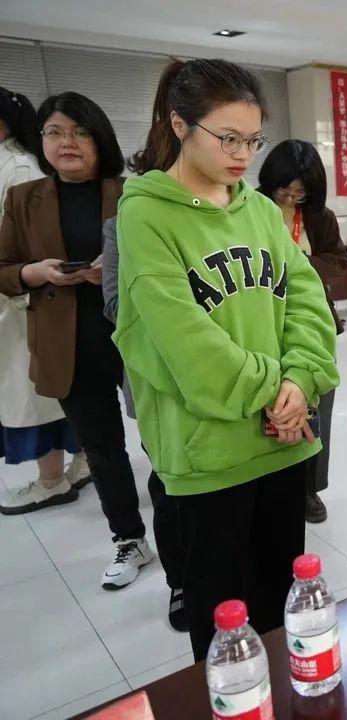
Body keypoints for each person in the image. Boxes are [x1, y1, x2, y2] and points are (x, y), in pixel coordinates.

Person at [117, 58, 339, 660]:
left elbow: (307, 303)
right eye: (228, 138)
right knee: (224, 627)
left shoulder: (261, 211)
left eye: (253, 140)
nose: (243, 154)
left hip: (281, 440)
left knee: (282, 607)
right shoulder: (145, 213)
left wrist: (301, 380)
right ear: (180, 125)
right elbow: (182, 337)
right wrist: (276, 394)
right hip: (210, 453)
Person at [0, 92, 153, 589]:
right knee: (103, 450)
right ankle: (129, 539)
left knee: (161, 443)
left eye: (80, 132)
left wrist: (119, 268)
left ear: (100, 138)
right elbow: (3, 268)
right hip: (69, 347)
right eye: (54, 132)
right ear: (40, 139)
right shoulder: (24, 199)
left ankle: (181, 531)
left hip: (137, 341)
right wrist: (36, 272)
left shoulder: (133, 193)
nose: (67, 142)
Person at [0, 86, 91, 514]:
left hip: (28, 303)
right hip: (22, 296)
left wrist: (24, 287)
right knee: (51, 393)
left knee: (37, 397)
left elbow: (35, 245)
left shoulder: (19, 168)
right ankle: (81, 464)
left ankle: (52, 479)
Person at [100, 215, 187, 632]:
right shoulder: (123, 225)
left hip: (232, 376)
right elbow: (114, 304)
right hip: (159, 382)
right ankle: (181, 581)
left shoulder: (234, 214)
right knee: (169, 483)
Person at [257, 139, 347, 524]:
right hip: (263, 322)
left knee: (315, 407)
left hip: (311, 321)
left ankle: (309, 489)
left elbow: (339, 260)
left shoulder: (319, 217)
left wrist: (299, 266)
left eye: (300, 193)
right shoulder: (249, 208)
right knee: (270, 406)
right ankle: (271, 483)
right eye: (284, 190)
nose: (291, 199)